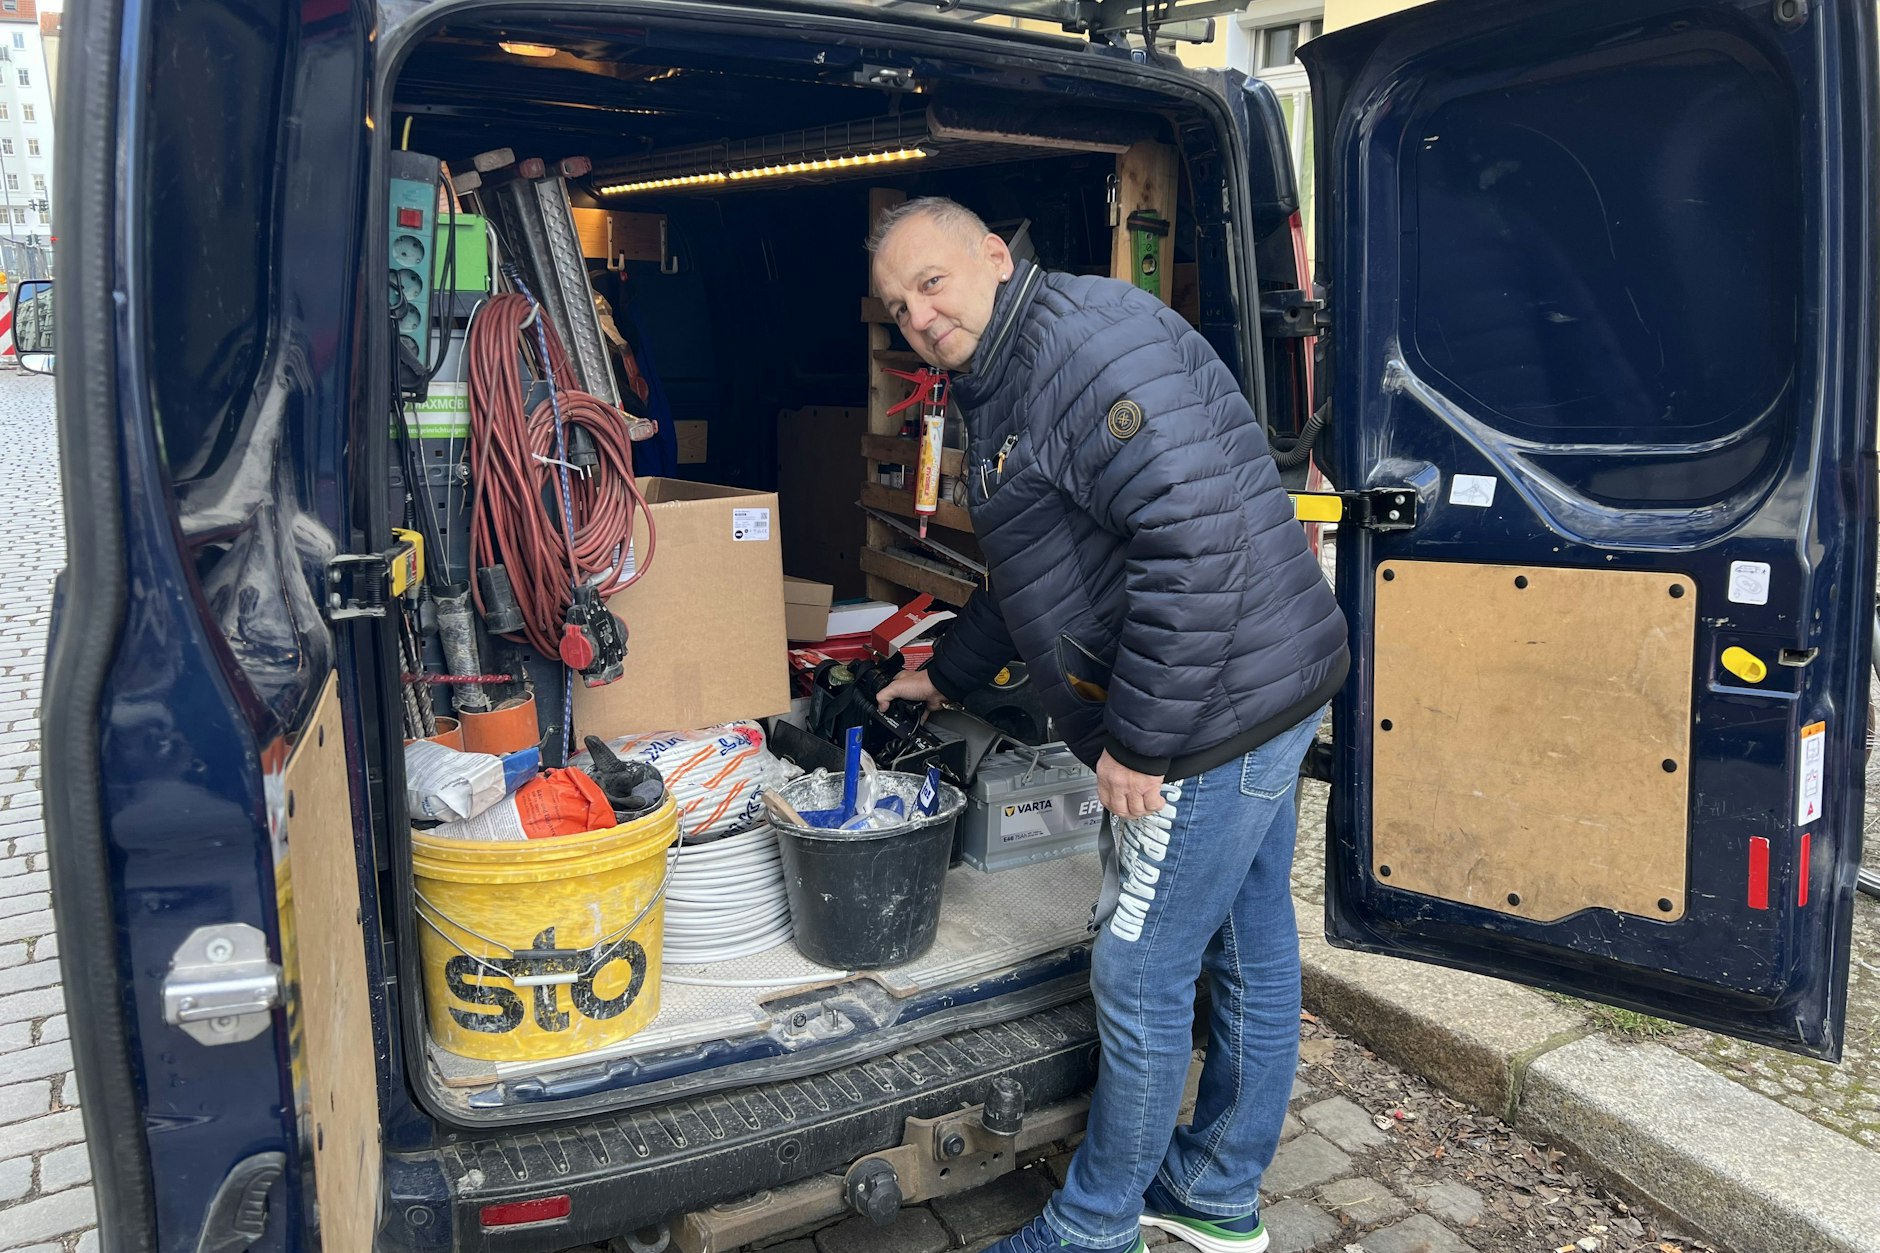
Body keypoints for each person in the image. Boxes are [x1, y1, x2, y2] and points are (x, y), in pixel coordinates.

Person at [870, 197, 1349, 1253]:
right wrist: (942, 672)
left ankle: (1094, 1224)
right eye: (900, 306)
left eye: (932, 282)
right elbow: (1039, 566)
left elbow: (1195, 545)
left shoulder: (1082, 351)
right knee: (1249, 937)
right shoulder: (1007, 368)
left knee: (1138, 962)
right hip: (1255, 682)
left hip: (1212, 708)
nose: (918, 315)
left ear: (994, 254)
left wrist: (1138, 739)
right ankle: (1217, 1191)